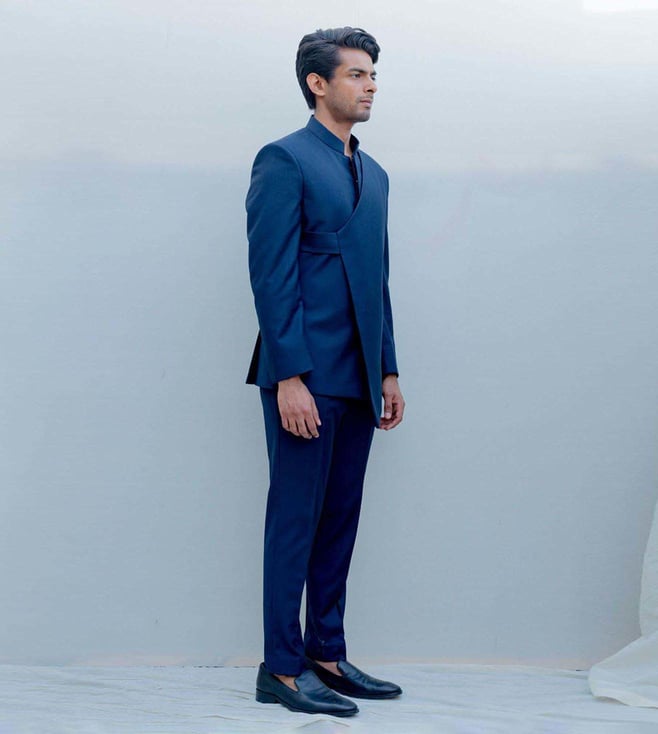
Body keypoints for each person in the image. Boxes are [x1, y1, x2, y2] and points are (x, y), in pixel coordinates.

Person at [245, 26, 405, 717]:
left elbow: (377, 279)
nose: (371, 86)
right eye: (357, 74)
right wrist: (289, 376)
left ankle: (326, 654)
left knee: (340, 520)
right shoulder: (283, 160)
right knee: (296, 521)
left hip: (359, 377)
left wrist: (388, 370)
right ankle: (280, 670)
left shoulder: (377, 174)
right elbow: (271, 274)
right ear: (318, 83)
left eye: (373, 75)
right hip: (304, 376)